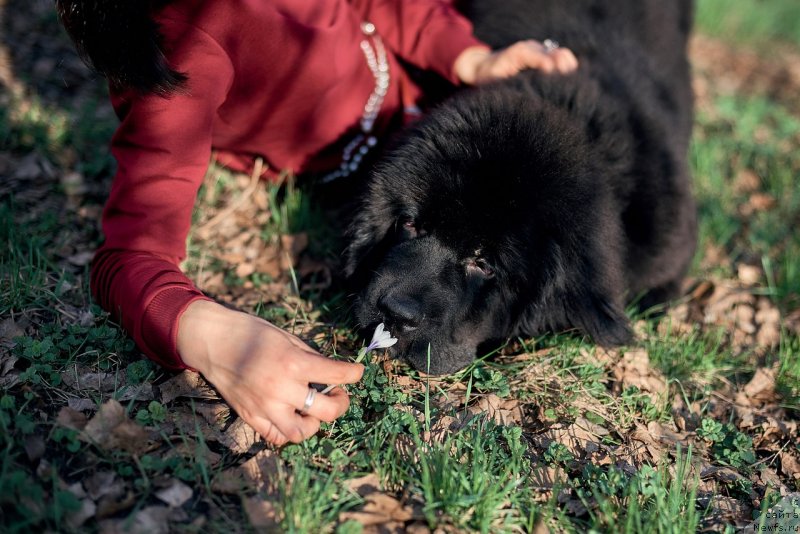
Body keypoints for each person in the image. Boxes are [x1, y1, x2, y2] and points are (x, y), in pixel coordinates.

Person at [56, 0, 577, 446]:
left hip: (444, 93)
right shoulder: (190, 42)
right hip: (372, 159)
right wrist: (212, 337)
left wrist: (470, 57)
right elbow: (129, 257)